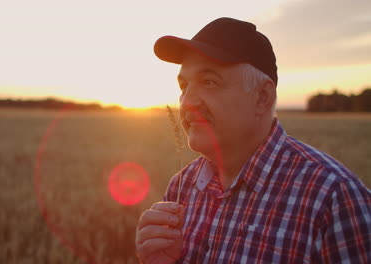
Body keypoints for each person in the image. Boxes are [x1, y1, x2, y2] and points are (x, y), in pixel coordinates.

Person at [135, 17, 371, 264]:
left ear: (262, 97)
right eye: (184, 86)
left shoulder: (334, 197)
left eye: (209, 82)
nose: (187, 102)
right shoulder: (180, 187)